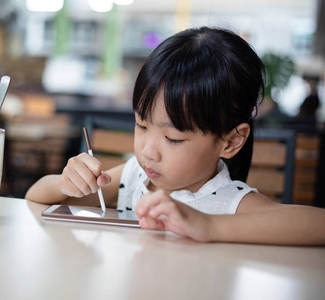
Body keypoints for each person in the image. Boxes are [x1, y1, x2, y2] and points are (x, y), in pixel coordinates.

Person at [26, 26, 325, 246]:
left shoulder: (228, 203)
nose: (148, 152)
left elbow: (318, 225)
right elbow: (36, 197)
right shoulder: (135, 179)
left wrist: (210, 226)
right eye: (141, 126)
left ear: (231, 141)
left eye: (173, 138)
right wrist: (66, 182)